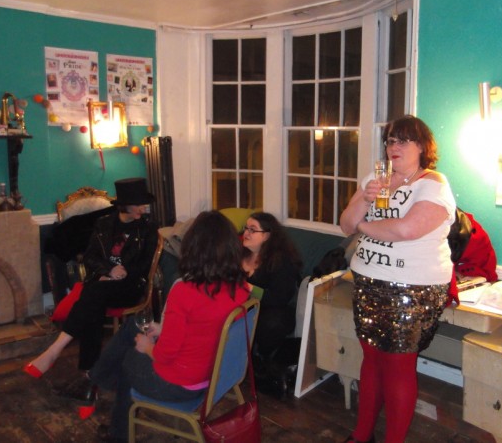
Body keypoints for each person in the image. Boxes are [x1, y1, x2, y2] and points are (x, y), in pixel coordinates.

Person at [339, 115, 456, 443]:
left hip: (411, 288)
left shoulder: (433, 183)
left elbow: (406, 229)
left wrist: (364, 226)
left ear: (422, 146)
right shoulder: (375, 179)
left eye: (403, 140)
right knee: (371, 359)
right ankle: (362, 435)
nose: (394, 146)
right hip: (368, 282)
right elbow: (345, 224)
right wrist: (365, 199)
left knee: (398, 366)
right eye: (390, 140)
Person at [88, 210, 251, 443]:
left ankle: (116, 429)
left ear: (193, 248)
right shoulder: (241, 288)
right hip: (214, 375)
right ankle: (98, 377)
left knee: (129, 356)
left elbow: (164, 356)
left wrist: (147, 348)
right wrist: (163, 330)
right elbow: (207, 327)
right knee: (134, 326)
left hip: (179, 384)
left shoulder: (185, 292)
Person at [23, 178, 159, 399]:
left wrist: (122, 273)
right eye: (139, 204)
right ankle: (89, 380)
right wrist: (108, 271)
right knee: (93, 302)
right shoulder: (104, 224)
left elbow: (144, 265)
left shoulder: (148, 229)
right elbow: (90, 257)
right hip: (104, 282)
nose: (144, 208)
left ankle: (55, 352)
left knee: (92, 293)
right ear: (125, 205)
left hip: (130, 286)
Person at [242, 212, 301, 361]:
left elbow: (279, 298)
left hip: (273, 310)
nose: (246, 233)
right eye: (246, 228)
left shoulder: (281, 261)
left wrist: (249, 288)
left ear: (267, 236)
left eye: (252, 229)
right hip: (243, 306)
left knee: (272, 322)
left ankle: (262, 358)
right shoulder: (239, 254)